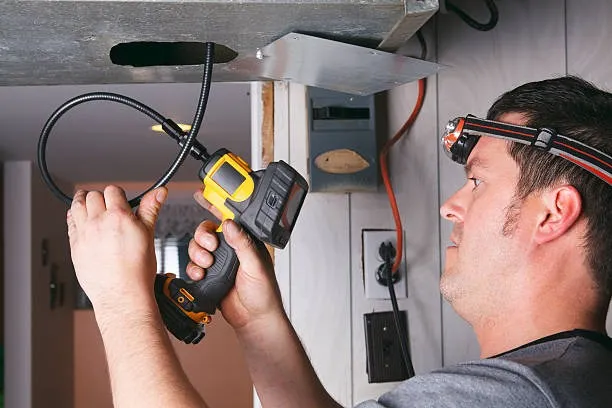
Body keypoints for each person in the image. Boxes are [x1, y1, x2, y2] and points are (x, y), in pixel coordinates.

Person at [67, 76, 612, 408]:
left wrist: (120, 301)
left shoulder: (519, 395)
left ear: (553, 213)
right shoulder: (570, 379)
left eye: (477, 181)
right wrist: (257, 321)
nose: (451, 205)